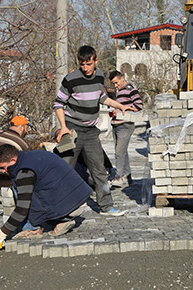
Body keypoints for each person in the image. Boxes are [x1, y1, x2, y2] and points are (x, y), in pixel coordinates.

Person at [53, 45, 136, 216]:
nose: (85, 68)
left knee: (99, 170)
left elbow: (101, 97)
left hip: (91, 131)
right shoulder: (70, 79)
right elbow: (58, 104)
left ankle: (105, 206)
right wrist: (63, 127)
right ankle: (60, 209)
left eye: (88, 64)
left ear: (95, 61)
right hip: (72, 129)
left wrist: (119, 105)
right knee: (65, 169)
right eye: (82, 64)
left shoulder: (99, 76)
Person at [0, 144, 92, 249]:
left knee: (22, 191)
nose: (2, 171)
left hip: (69, 207)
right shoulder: (34, 155)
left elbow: (22, 209)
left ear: (13, 160)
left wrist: (1, 234)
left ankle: (33, 228)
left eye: (3, 167)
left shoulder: (24, 172)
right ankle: (62, 220)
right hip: (79, 201)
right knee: (29, 188)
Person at [108, 70, 143, 188]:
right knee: (122, 151)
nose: (116, 86)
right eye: (114, 84)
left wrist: (125, 109)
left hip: (126, 125)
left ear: (122, 78)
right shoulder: (120, 92)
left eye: (117, 83)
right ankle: (127, 176)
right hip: (116, 124)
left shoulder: (130, 89)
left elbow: (139, 106)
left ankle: (118, 177)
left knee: (119, 152)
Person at [0, 116, 31, 189]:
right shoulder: (22, 143)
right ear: (21, 128)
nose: (27, 132)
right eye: (26, 129)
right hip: (2, 178)